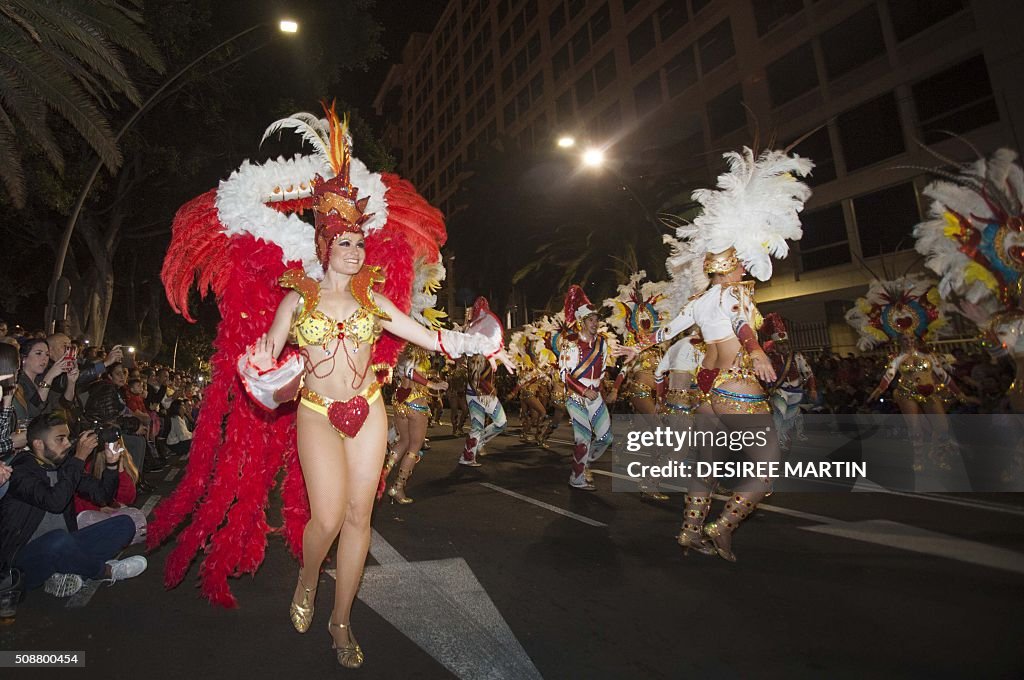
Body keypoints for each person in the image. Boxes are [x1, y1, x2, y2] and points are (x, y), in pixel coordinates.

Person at [235, 106, 512, 668]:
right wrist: (261, 357)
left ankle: (341, 621)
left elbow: (432, 339)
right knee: (328, 519)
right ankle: (308, 577)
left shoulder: (375, 301)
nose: (356, 250)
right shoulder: (296, 298)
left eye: (360, 242)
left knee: (361, 517)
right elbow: (269, 352)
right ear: (324, 247)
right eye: (345, 243)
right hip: (316, 410)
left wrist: (483, 344)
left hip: (369, 408)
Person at [647, 147, 812, 561]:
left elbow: (668, 329)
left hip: (707, 388)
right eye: (741, 263)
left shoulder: (701, 299)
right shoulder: (735, 293)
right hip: (737, 384)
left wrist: (640, 345)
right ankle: (722, 526)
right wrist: (756, 350)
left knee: (705, 465)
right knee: (767, 467)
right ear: (734, 265)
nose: (745, 269)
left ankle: (689, 532)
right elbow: (740, 322)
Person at [0, 413, 146, 597]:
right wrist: (79, 458)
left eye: (67, 438)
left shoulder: (63, 463)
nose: (68, 444)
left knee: (124, 524)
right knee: (57, 540)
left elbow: (102, 496)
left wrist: (111, 465)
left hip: (66, 544)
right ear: (38, 444)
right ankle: (105, 571)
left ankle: (66, 573)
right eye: (60, 439)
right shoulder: (21, 471)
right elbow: (55, 502)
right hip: (25, 560)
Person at [556, 286, 629, 491]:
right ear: (582, 321)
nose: (595, 323)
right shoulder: (570, 343)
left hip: (595, 396)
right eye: (590, 320)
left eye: (596, 320)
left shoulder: (602, 343)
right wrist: (583, 390)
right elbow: (564, 374)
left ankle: (585, 461)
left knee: (607, 438)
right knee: (583, 438)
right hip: (576, 397)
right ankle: (576, 477)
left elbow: (603, 370)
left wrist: (604, 391)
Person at [383, 345, 446, 504]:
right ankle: (397, 487)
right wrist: (433, 385)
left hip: (400, 401)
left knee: (403, 441)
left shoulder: (402, 349)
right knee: (414, 448)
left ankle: (381, 478)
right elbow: (411, 372)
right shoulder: (416, 348)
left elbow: (406, 370)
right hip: (415, 402)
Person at [458, 297, 509, 467]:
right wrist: (486, 392)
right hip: (480, 393)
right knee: (501, 422)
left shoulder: (483, 347)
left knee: (477, 427)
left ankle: (467, 456)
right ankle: (479, 444)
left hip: (474, 393)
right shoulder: (476, 350)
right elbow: (474, 376)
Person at [74, 438, 147, 545]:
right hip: (89, 513)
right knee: (91, 520)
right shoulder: (87, 465)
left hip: (111, 513)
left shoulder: (120, 460)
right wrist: (99, 507)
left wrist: (120, 470)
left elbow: (127, 499)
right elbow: (73, 501)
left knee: (138, 519)